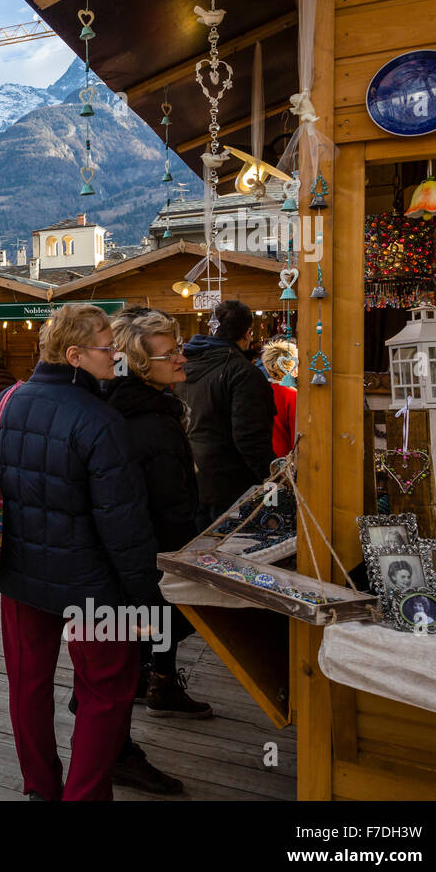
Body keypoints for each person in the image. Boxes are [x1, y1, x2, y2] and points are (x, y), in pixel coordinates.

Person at [0, 303, 164, 801]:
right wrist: (145, 593)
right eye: (107, 347)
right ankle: (83, 795)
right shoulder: (101, 419)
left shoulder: (5, 403)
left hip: (18, 575)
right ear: (75, 355)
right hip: (94, 584)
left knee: (28, 684)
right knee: (106, 693)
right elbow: (124, 523)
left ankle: (40, 787)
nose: (116, 355)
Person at [104, 308, 215, 789]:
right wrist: (184, 552)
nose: (182, 358)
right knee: (138, 641)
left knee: (134, 644)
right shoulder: (146, 418)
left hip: (140, 552)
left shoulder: (142, 407)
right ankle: (116, 750)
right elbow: (162, 501)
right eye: (170, 353)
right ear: (140, 363)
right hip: (148, 554)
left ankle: (151, 689)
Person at [175, 300, 276, 530]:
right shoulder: (243, 373)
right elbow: (250, 438)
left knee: (201, 555)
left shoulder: (187, 365)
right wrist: (270, 478)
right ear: (248, 333)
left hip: (194, 479)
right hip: (231, 488)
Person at [262, 339, 299, 459]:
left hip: (262, 455)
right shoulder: (291, 395)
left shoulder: (260, 390)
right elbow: (296, 435)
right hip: (284, 458)